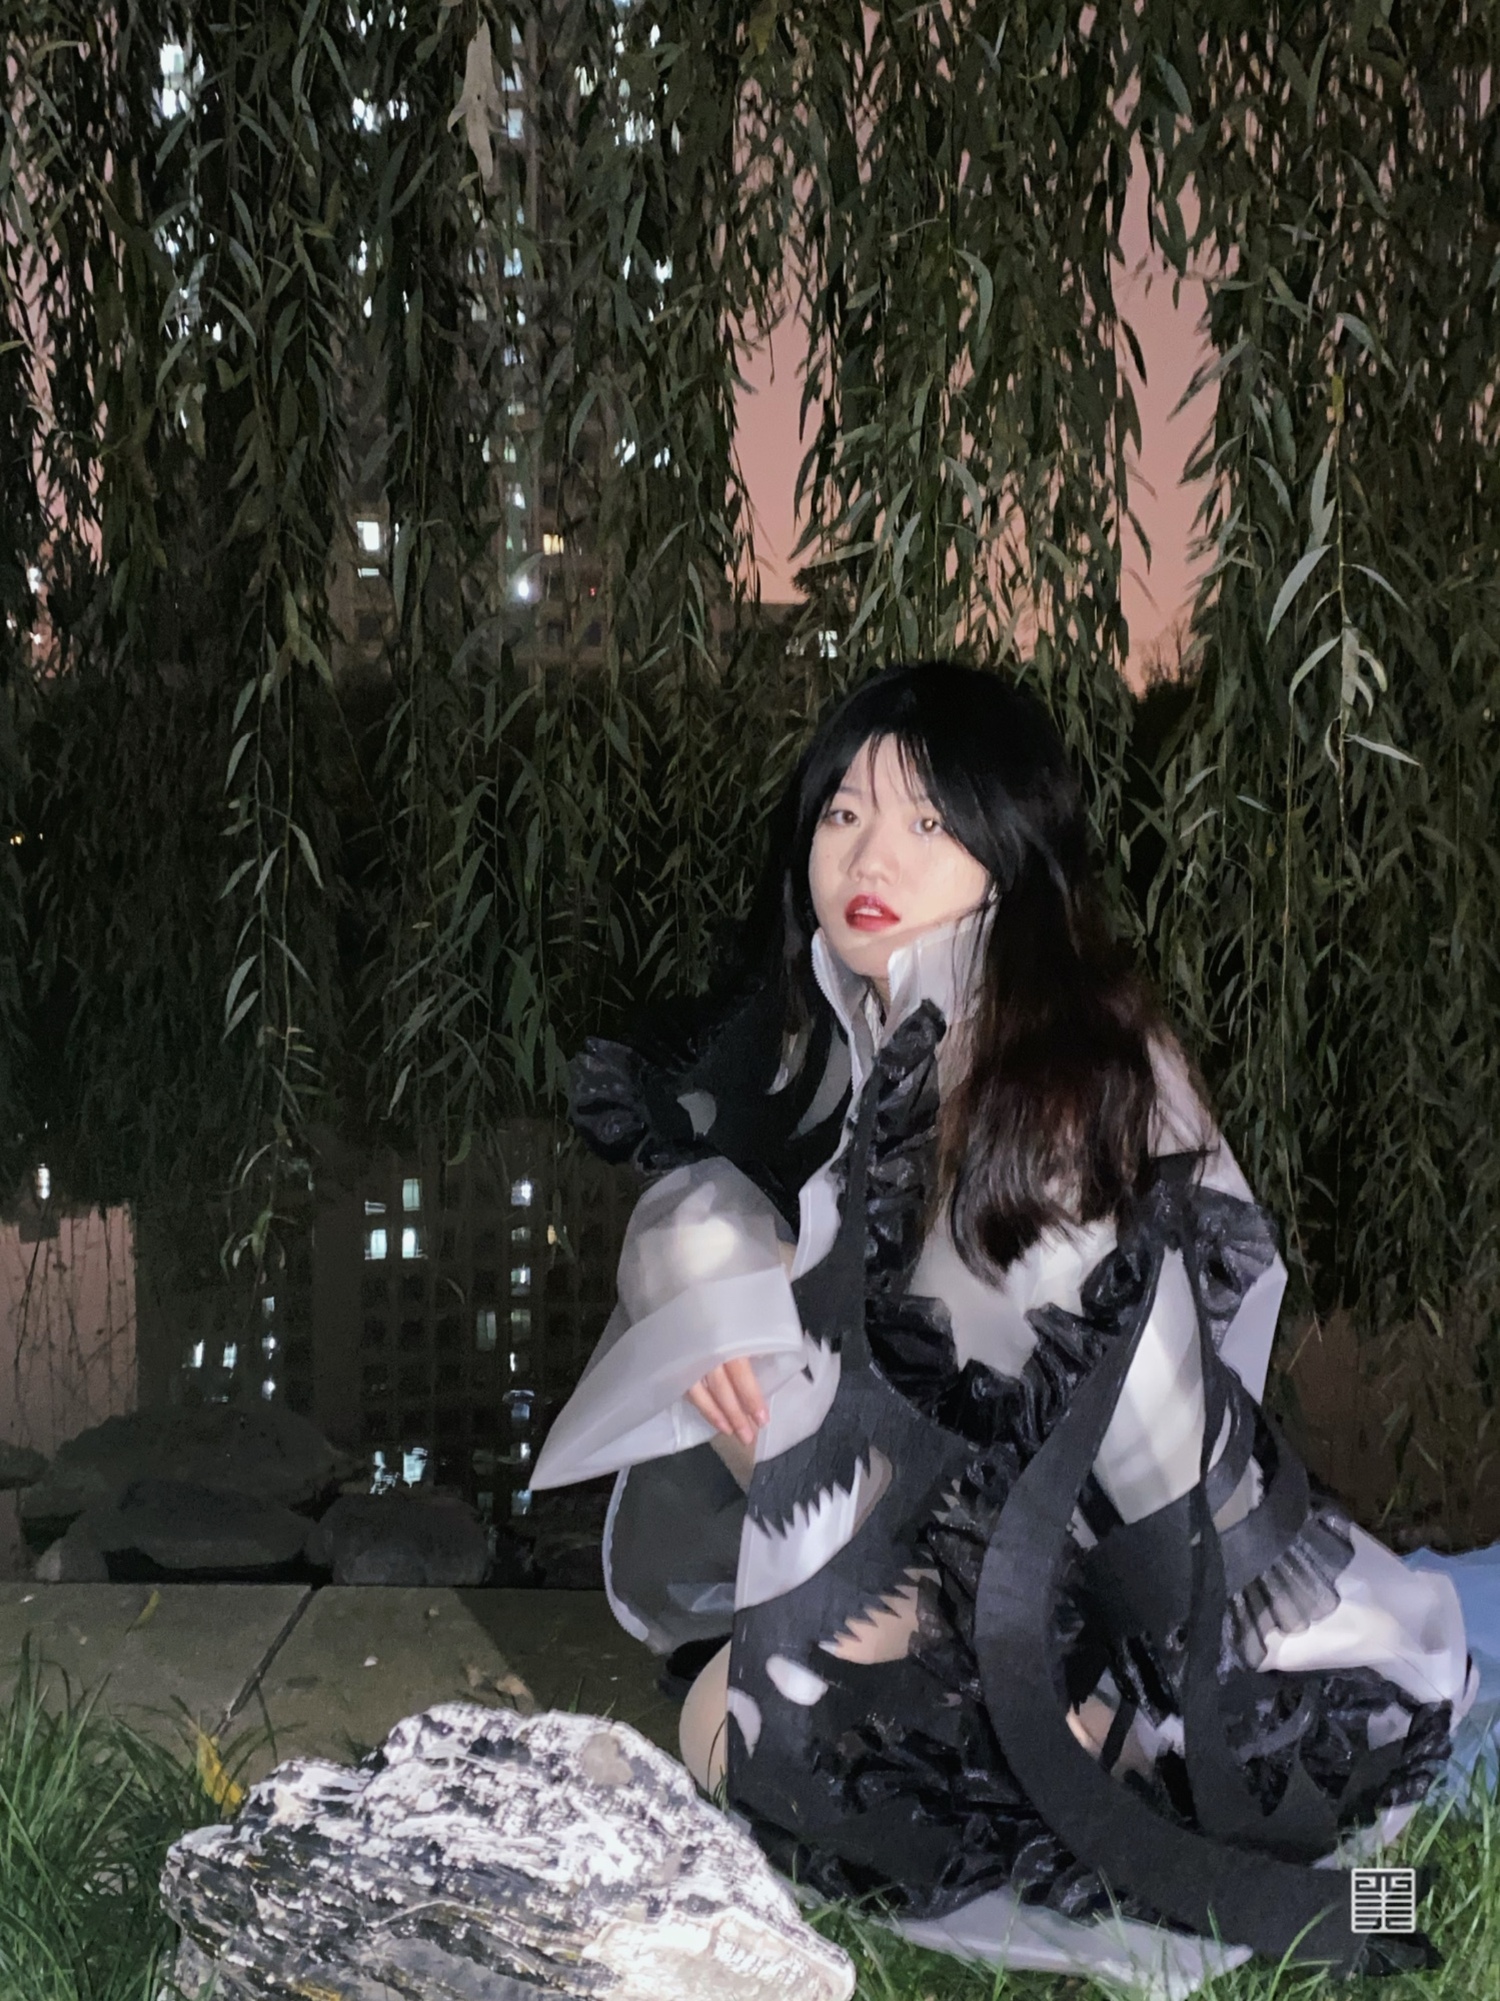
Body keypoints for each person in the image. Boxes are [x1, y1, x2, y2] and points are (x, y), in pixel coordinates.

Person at [532, 660, 1472, 1989]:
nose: (872, 857)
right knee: (729, 1716)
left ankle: (1313, 1872)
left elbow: (1166, 1457)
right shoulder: (845, 1027)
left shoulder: (1061, 1084)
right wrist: (698, 1286)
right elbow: (721, 1210)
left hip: (1141, 1617)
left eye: (930, 821)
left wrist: (1068, 1672)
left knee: (817, 1756)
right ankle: (923, 1683)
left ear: (1007, 853)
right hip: (932, 1574)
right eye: (844, 812)